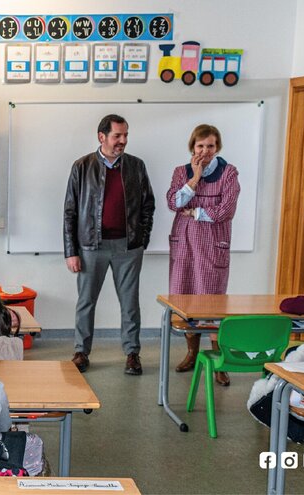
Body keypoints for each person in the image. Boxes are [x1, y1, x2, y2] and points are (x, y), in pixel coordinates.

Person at [64, 114, 155, 374]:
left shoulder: (136, 166)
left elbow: (148, 205)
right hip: (91, 246)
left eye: (125, 135)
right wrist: (71, 251)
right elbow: (70, 211)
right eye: (117, 135)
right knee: (86, 301)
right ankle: (81, 352)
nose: (122, 140)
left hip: (128, 247)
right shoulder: (82, 166)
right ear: (101, 136)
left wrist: (142, 239)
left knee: (130, 303)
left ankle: (132, 354)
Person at [166, 124, 241, 386]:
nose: (205, 151)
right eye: (200, 146)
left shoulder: (229, 173)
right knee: (186, 299)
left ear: (217, 147)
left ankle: (219, 361)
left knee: (212, 303)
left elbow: (226, 210)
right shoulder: (181, 172)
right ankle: (192, 354)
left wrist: (196, 212)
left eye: (210, 146)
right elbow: (173, 203)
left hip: (212, 244)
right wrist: (194, 178)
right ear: (192, 147)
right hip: (185, 244)